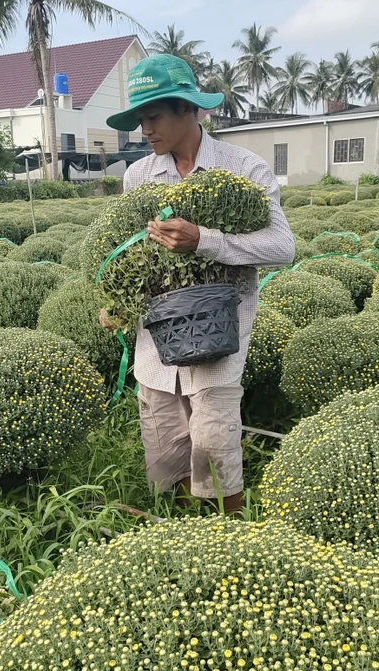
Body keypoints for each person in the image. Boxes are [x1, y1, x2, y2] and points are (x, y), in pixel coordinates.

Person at [99, 54, 295, 516]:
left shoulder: (242, 168)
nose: (145, 130)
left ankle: (230, 534)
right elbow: (134, 252)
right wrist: (119, 302)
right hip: (157, 336)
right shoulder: (139, 176)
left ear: (189, 109)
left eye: (154, 116)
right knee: (169, 440)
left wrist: (205, 241)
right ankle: (192, 529)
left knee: (212, 440)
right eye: (140, 119)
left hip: (218, 333)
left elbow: (282, 248)